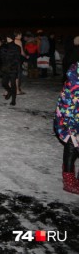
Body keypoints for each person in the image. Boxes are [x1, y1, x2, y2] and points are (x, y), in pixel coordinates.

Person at [54, 62, 79, 194]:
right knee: (72, 147)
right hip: (72, 118)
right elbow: (67, 104)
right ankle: (68, 179)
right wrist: (71, 126)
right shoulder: (74, 78)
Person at [0, 35, 21, 106]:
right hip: (6, 68)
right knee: (4, 83)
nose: (8, 39)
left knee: (13, 84)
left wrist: (12, 65)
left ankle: (13, 100)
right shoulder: (4, 46)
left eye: (9, 38)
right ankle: (10, 92)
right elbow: (2, 58)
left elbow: (18, 59)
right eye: (7, 38)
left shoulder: (17, 47)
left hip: (13, 68)